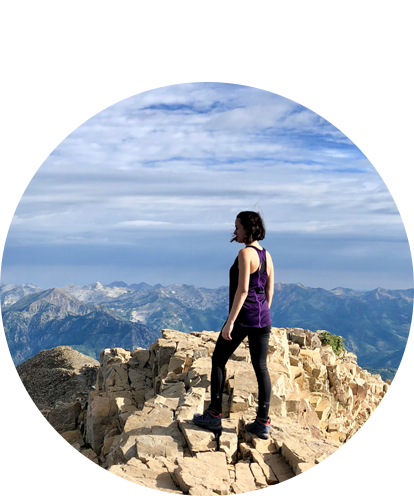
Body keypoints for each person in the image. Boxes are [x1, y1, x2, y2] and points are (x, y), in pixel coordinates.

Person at [193, 211, 274, 440]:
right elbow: (269, 291)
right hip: (263, 319)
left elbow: (243, 289)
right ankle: (262, 422)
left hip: (243, 317)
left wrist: (230, 322)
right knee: (261, 367)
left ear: (248, 229)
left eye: (237, 227)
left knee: (218, 359)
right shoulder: (267, 255)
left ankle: (214, 414)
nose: (234, 231)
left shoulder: (245, 254)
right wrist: (262, 313)